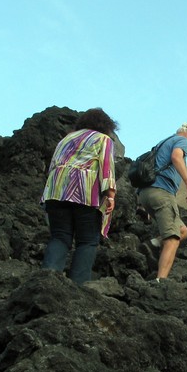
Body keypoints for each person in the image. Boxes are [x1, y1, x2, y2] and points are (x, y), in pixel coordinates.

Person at [39, 107, 118, 283]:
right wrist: (110, 195)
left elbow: (53, 165)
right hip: (85, 192)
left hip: (56, 190)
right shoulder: (103, 139)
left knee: (60, 236)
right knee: (87, 240)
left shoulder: (66, 138)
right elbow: (106, 169)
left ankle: (46, 281)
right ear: (106, 125)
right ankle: (78, 287)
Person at [138, 122, 187, 280]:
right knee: (173, 238)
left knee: (182, 231)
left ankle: (152, 244)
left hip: (146, 193)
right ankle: (160, 282)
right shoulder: (181, 140)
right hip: (162, 193)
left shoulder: (162, 143)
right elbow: (176, 157)